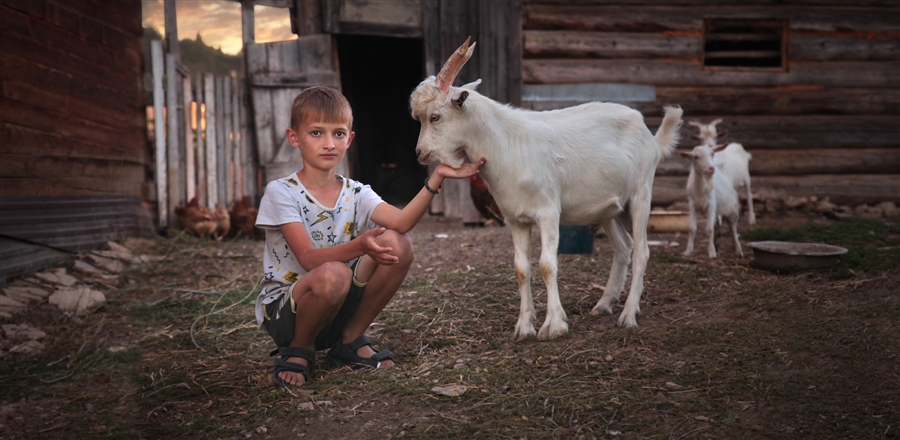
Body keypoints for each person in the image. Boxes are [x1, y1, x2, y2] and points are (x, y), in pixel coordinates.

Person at [254, 86, 485, 388]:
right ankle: (300, 348)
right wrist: (359, 245)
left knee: (397, 244)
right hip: (289, 311)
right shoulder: (281, 191)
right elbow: (309, 260)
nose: (328, 143)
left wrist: (437, 177)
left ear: (349, 139)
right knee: (333, 273)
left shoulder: (356, 192)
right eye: (316, 133)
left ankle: (349, 339)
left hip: (338, 300)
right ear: (294, 137)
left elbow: (401, 222)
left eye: (338, 134)